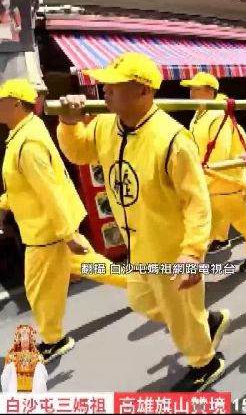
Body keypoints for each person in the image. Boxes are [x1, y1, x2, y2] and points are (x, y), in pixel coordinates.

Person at [56, 52, 230, 392]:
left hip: (171, 251)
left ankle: (206, 363)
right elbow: (80, 152)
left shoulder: (173, 140)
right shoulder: (107, 125)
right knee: (141, 301)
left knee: (180, 318)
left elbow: (197, 202)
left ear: (143, 92)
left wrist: (193, 253)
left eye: (115, 85)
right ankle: (203, 322)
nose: (104, 90)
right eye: (105, 84)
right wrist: (67, 122)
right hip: (138, 244)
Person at [0, 79, 123, 364]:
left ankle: (55, 340)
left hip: (47, 234)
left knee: (39, 293)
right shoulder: (25, 132)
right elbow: (27, 187)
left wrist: (68, 234)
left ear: (16, 103)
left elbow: (49, 191)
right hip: (53, 230)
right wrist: (5, 203)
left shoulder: (27, 142)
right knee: (97, 268)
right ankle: (148, 287)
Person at [181, 72, 246, 272]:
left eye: (196, 89)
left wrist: (203, 176)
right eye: (191, 89)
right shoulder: (201, 112)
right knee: (216, 213)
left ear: (209, 91)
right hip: (209, 178)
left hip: (226, 179)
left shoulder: (217, 115)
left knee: (241, 218)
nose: (191, 93)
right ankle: (221, 239)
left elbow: (220, 153)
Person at [1, 325, 47, 392]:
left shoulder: (35, 355)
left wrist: (38, 360)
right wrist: (11, 361)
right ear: (19, 340)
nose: (25, 339)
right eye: (22, 336)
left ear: (30, 340)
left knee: (40, 367)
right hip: (17, 386)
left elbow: (40, 365)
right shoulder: (12, 355)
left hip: (32, 386)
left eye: (27, 336)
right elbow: (7, 372)